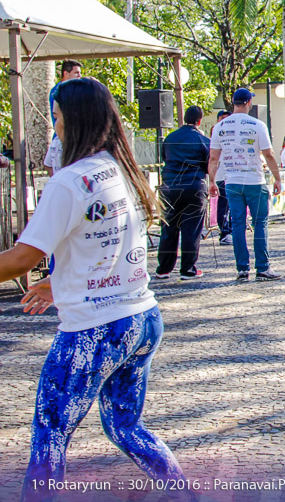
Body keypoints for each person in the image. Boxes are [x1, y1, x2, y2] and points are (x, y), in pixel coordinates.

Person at [0, 78, 186, 499]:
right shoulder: (124, 169)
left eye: (57, 116)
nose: (55, 126)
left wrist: (48, 275)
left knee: (50, 435)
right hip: (141, 320)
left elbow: (20, 259)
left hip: (93, 331)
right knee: (126, 427)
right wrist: (59, 280)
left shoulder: (67, 183)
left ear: (73, 119)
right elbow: (110, 241)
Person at [208, 88, 283, 283]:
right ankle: (263, 267)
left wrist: (212, 181)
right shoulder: (258, 125)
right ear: (249, 102)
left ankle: (242, 269)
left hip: (232, 181)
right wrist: (277, 178)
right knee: (260, 224)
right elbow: (268, 154)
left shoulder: (220, 127)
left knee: (238, 225)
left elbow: (214, 158)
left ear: (233, 102)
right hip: (254, 181)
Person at [154, 105, 210, 282]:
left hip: (170, 186)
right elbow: (209, 163)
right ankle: (187, 269)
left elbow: (164, 157)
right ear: (199, 121)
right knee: (191, 230)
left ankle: (163, 268)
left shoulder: (170, 138)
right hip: (193, 185)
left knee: (169, 228)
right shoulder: (202, 139)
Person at [214, 110, 232, 245]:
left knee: (235, 205)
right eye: (222, 118)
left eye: (227, 118)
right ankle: (224, 233)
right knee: (224, 205)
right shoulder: (216, 133)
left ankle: (233, 230)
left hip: (235, 174)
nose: (224, 121)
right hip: (221, 175)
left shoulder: (234, 133)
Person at [48, 59, 82, 125]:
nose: (79, 76)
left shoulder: (73, 89)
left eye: (80, 73)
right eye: (76, 73)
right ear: (66, 73)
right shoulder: (57, 91)